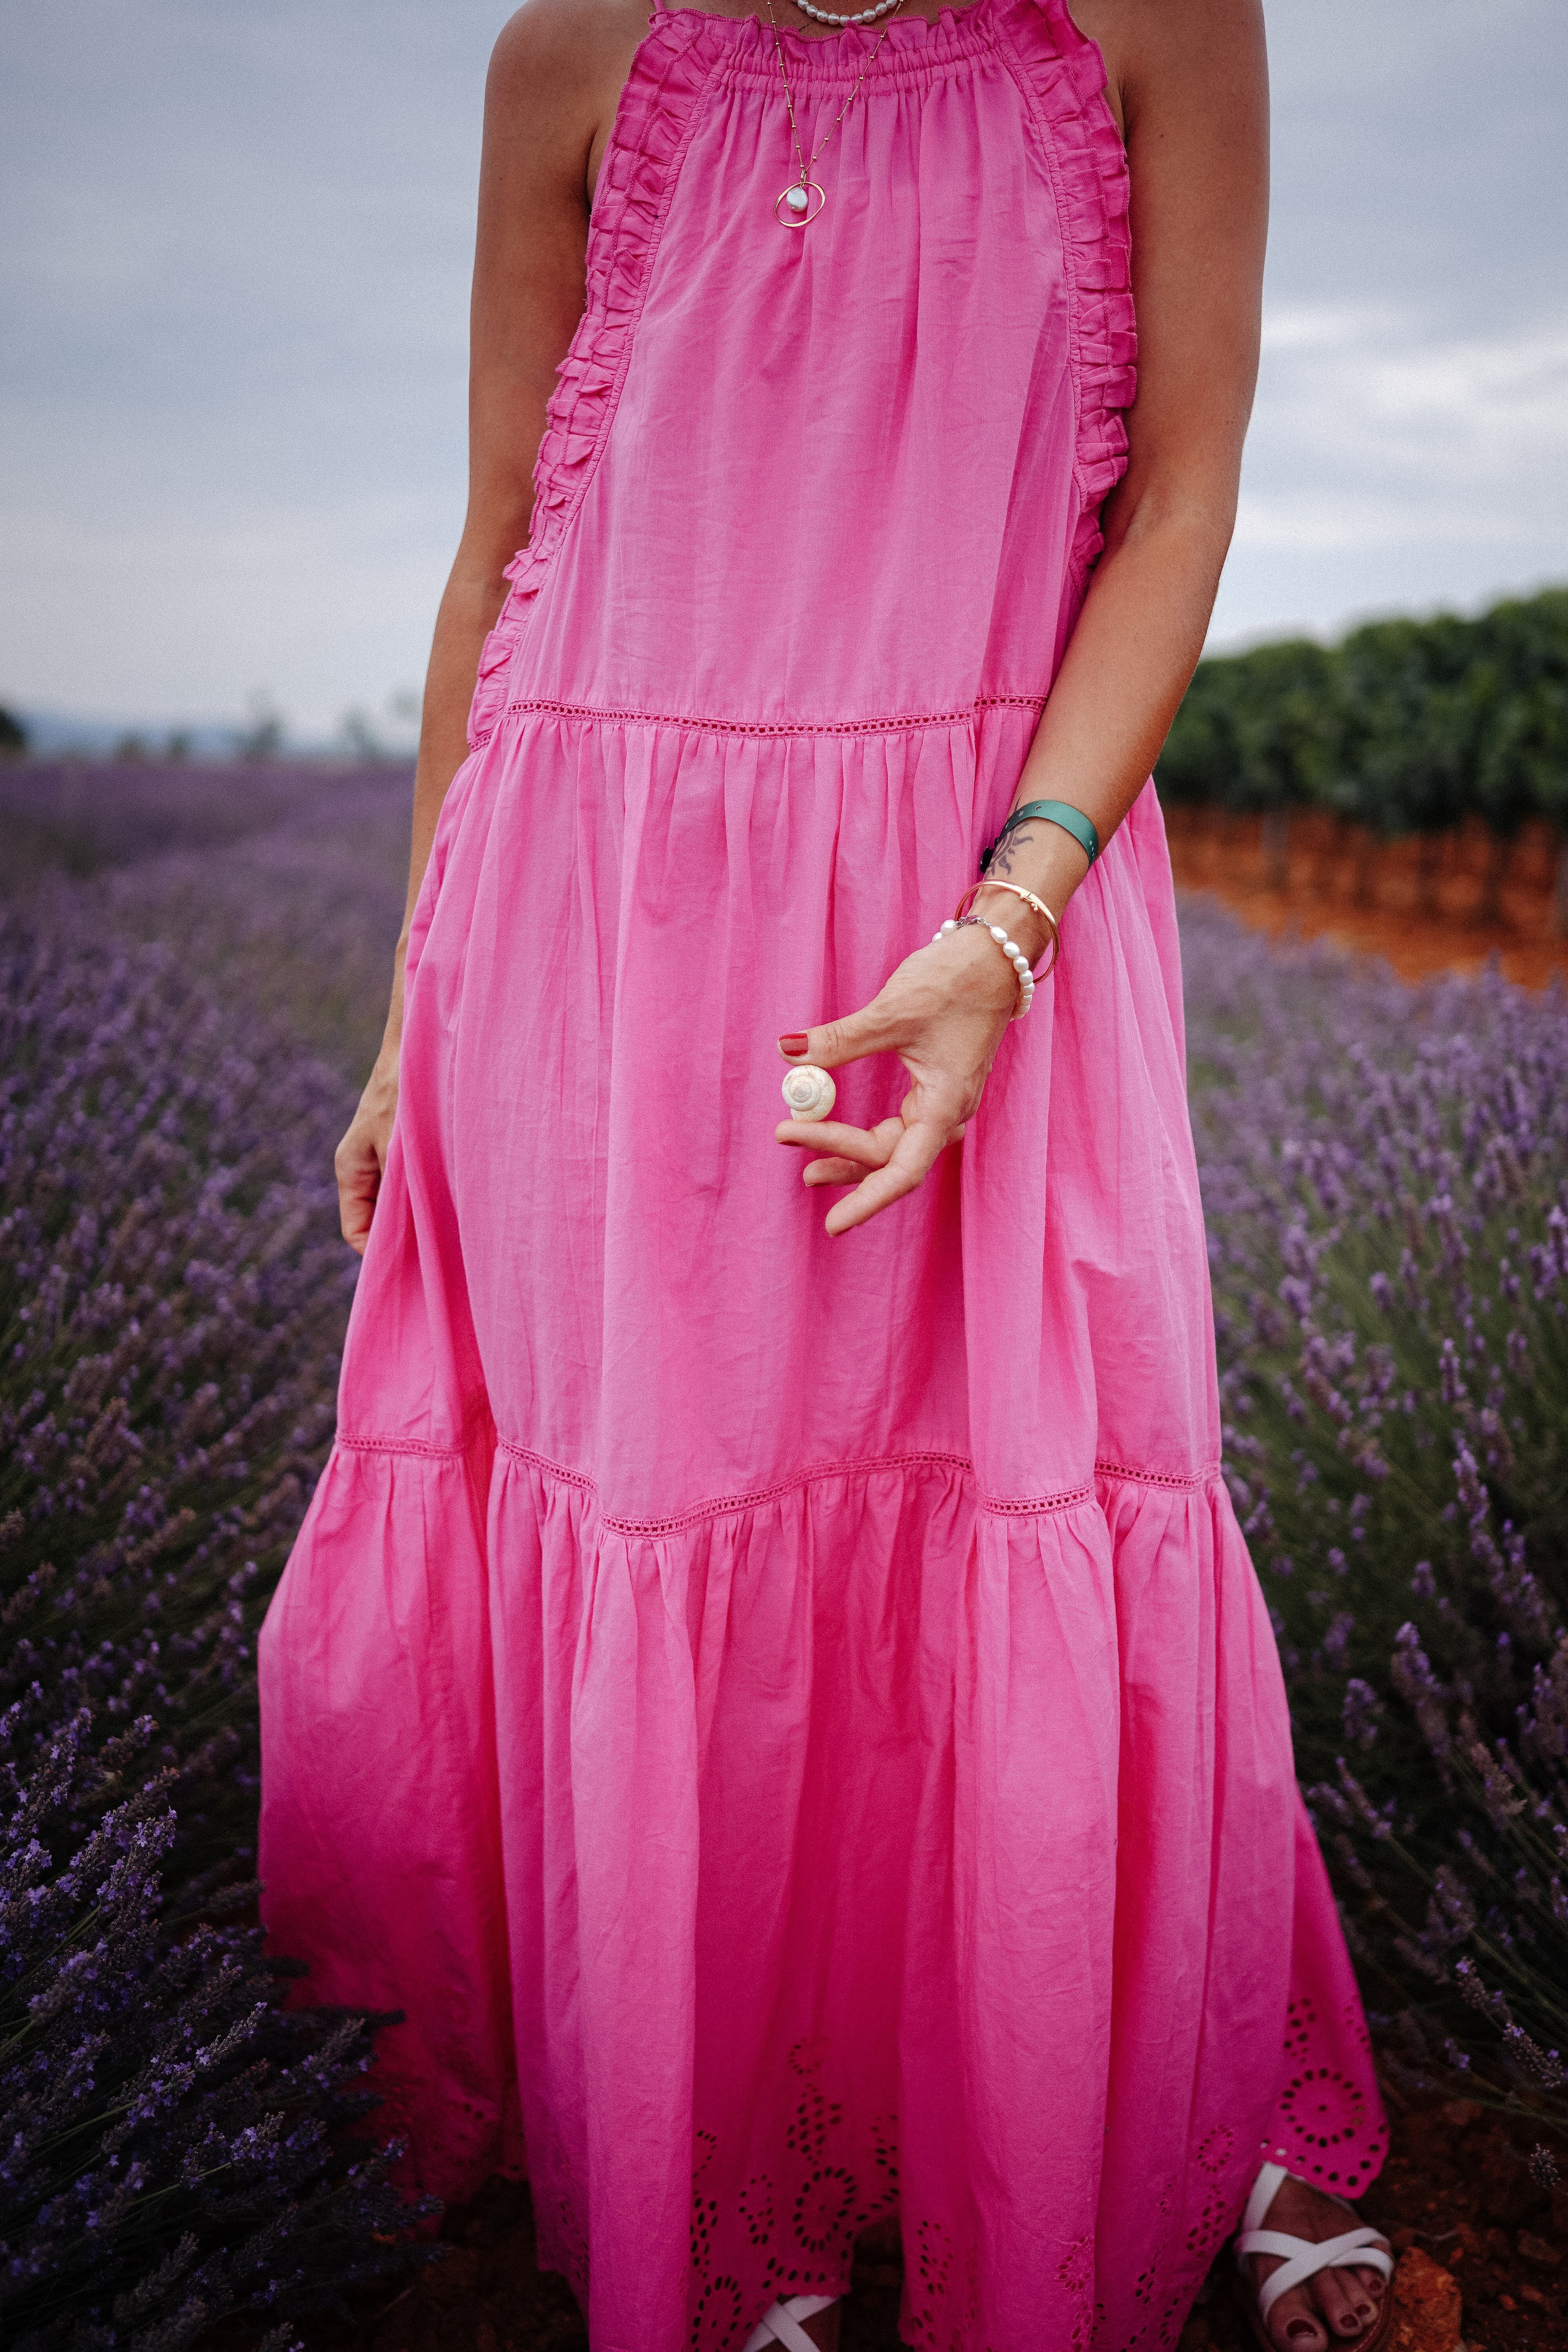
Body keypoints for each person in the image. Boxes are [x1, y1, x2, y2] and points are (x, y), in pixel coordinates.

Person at [257, 0, 1395, 2345]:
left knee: (1030, 1476)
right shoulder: (567, 55)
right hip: (598, 906)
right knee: (678, 1507)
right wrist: (408, 1010)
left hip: (984, 883)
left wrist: (1010, 915)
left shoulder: (1161, 23)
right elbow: (500, 552)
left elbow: (1180, 496)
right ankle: (725, 2195)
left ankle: (1145, 2124)